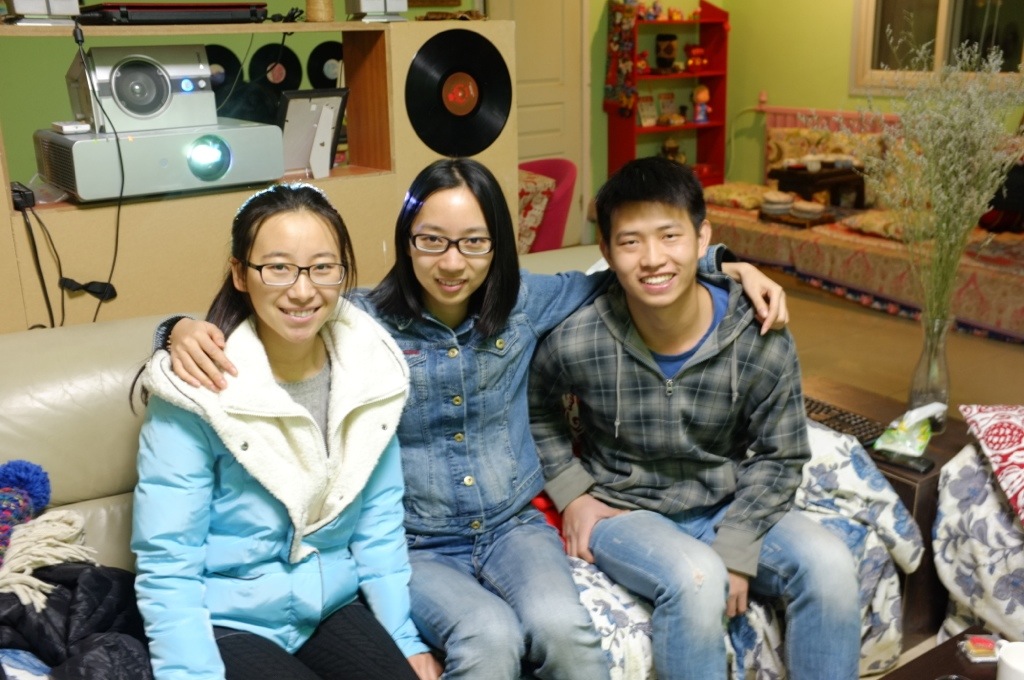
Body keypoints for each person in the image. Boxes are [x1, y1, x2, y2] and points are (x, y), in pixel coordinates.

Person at [160, 158, 789, 679]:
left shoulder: (525, 303)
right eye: (431, 240)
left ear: (497, 246)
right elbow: (278, 306)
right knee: (488, 636)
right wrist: (176, 329)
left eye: (473, 242)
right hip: (417, 542)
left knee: (565, 633)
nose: (452, 262)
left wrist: (724, 264)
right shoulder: (359, 319)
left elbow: (628, 272)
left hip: (515, 529)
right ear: (407, 242)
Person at [527, 156, 861, 680]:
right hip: (625, 510)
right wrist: (573, 492)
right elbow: (535, 408)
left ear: (703, 238)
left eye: (670, 236)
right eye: (631, 241)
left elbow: (782, 454)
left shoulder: (758, 334)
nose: (652, 259)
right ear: (606, 251)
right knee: (696, 577)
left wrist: (738, 545)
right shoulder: (580, 336)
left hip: (726, 501)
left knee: (830, 565)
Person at [131, 183, 441, 680]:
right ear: (240, 273)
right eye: (278, 268)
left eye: (322, 267)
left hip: (329, 605)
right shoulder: (193, 390)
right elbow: (168, 560)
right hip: (227, 619)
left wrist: (402, 637)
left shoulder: (372, 373)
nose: (302, 290)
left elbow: (378, 523)